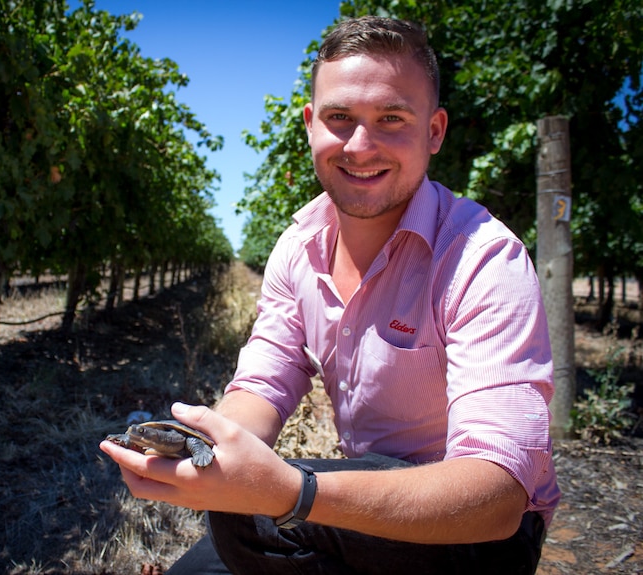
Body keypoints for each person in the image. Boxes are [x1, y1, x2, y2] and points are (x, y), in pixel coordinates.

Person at [100, 15, 560, 575]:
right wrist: (202, 450)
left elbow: (497, 499)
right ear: (310, 124)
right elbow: (264, 385)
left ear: (434, 132)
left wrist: (294, 494)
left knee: (250, 517)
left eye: (392, 119)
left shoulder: (484, 259)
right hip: (360, 501)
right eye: (340, 118)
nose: (361, 146)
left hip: (474, 536)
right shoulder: (297, 248)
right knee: (213, 542)